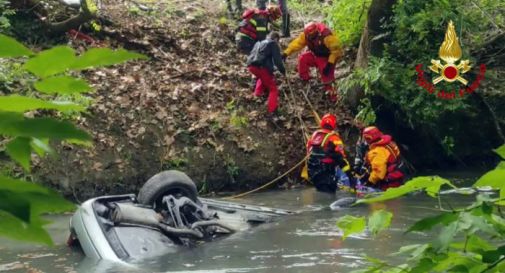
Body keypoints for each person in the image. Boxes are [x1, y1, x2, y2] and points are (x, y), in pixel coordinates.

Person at [283, 22, 343, 102]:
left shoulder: (327, 36)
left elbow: (336, 51)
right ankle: (305, 78)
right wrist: (286, 53)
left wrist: (330, 63)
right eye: (309, 36)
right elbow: (297, 44)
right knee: (303, 58)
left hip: (328, 57)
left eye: (312, 36)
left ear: (317, 32)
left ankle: (332, 96)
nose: (310, 37)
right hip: (315, 55)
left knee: (326, 75)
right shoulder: (305, 35)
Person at [306, 113, 353, 192]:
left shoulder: (314, 135)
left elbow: (308, 150)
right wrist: (350, 176)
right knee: (329, 192)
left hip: (312, 170)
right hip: (326, 170)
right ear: (333, 124)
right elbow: (341, 156)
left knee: (320, 190)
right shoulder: (334, 138)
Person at [246, 31, 286, 113]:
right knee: (273, 89)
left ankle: (257, 95)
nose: (278, 43)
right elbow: (277, 61)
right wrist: (283, 71)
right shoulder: (273, 44)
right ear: (276, 39)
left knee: (263, 78)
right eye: (278, 41)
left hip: (251, 66)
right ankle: (272, 110)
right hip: (261, 67)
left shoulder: (260, 42)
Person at [361, 126, 405, 191]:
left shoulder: (377, 151)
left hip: (389, 183)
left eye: (365, 139)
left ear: (369, 138)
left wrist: (369, 183)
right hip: (399, 177)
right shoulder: (389, 143)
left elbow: (379, 172)